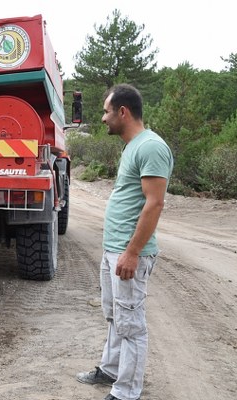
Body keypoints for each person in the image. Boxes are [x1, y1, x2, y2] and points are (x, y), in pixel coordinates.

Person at [76, 84, 173, 400]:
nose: (103, 118)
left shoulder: (151, 147)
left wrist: (132, 252)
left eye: (106, 111)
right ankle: (111, 369)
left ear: (123, 112)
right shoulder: (132, 146)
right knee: (115, 316)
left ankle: (127, 392)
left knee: (131, 323)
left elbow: (154, 204)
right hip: (114, 249)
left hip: (130, 253)